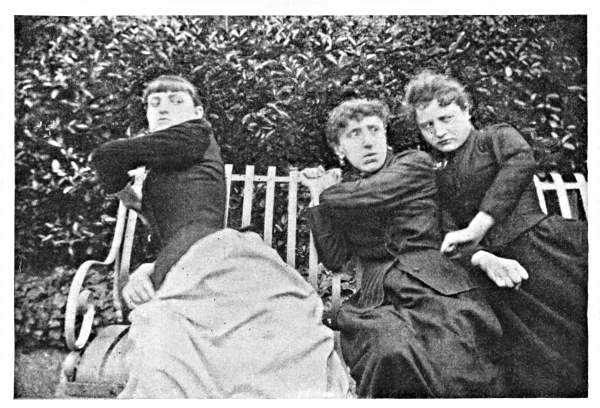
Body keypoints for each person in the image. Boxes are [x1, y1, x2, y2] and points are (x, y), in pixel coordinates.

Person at [90, 75, 348, 398]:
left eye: (176, 101)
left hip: (211, 257)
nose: (163, 108)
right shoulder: (166, 162)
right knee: (190, 339)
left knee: (209, 339)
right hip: (193, 262)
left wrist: (128, 197)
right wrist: (148, 266)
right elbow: (174, 230)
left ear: (197, 112)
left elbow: (106, 157)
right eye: (154, 104)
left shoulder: (195, 134)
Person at [299, 98, 528, 398]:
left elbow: (376, 193)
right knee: (387, 347)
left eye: (374, 129)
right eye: (354, 134)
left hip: (438, 287)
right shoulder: (344, 191)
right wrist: (316, 199)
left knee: (452, 350)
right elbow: (335, 259)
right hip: (380, 298)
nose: (368, 142)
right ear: (339, 149)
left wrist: (327, 191)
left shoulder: (413, 164)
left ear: (385, 134)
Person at [403, 70, 588, 397]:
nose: (439, 132)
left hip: (543, 247)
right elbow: (449, 235)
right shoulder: (439, 175)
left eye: (446, 118)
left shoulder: (495, 138)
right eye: (427, 126)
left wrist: (477, 226)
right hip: (495, 268)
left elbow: (521, 163)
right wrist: (481, 256)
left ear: (467, 110)